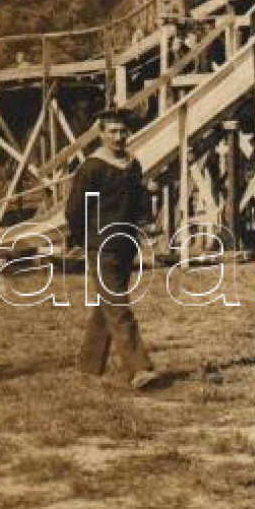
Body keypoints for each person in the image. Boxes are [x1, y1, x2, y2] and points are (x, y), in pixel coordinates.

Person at [64, 108, 159, 389]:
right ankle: (139, 368)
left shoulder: (132, 165)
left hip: (126, 242)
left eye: (122, 131)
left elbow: (137, 199)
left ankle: (89, 364)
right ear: (101, 134)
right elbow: (76, 210)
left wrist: (146, 219)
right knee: (118, 305)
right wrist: (85, 241)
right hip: (101, 244)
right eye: (112, 132)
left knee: (109, 301)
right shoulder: (92, 168)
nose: (118, 137)